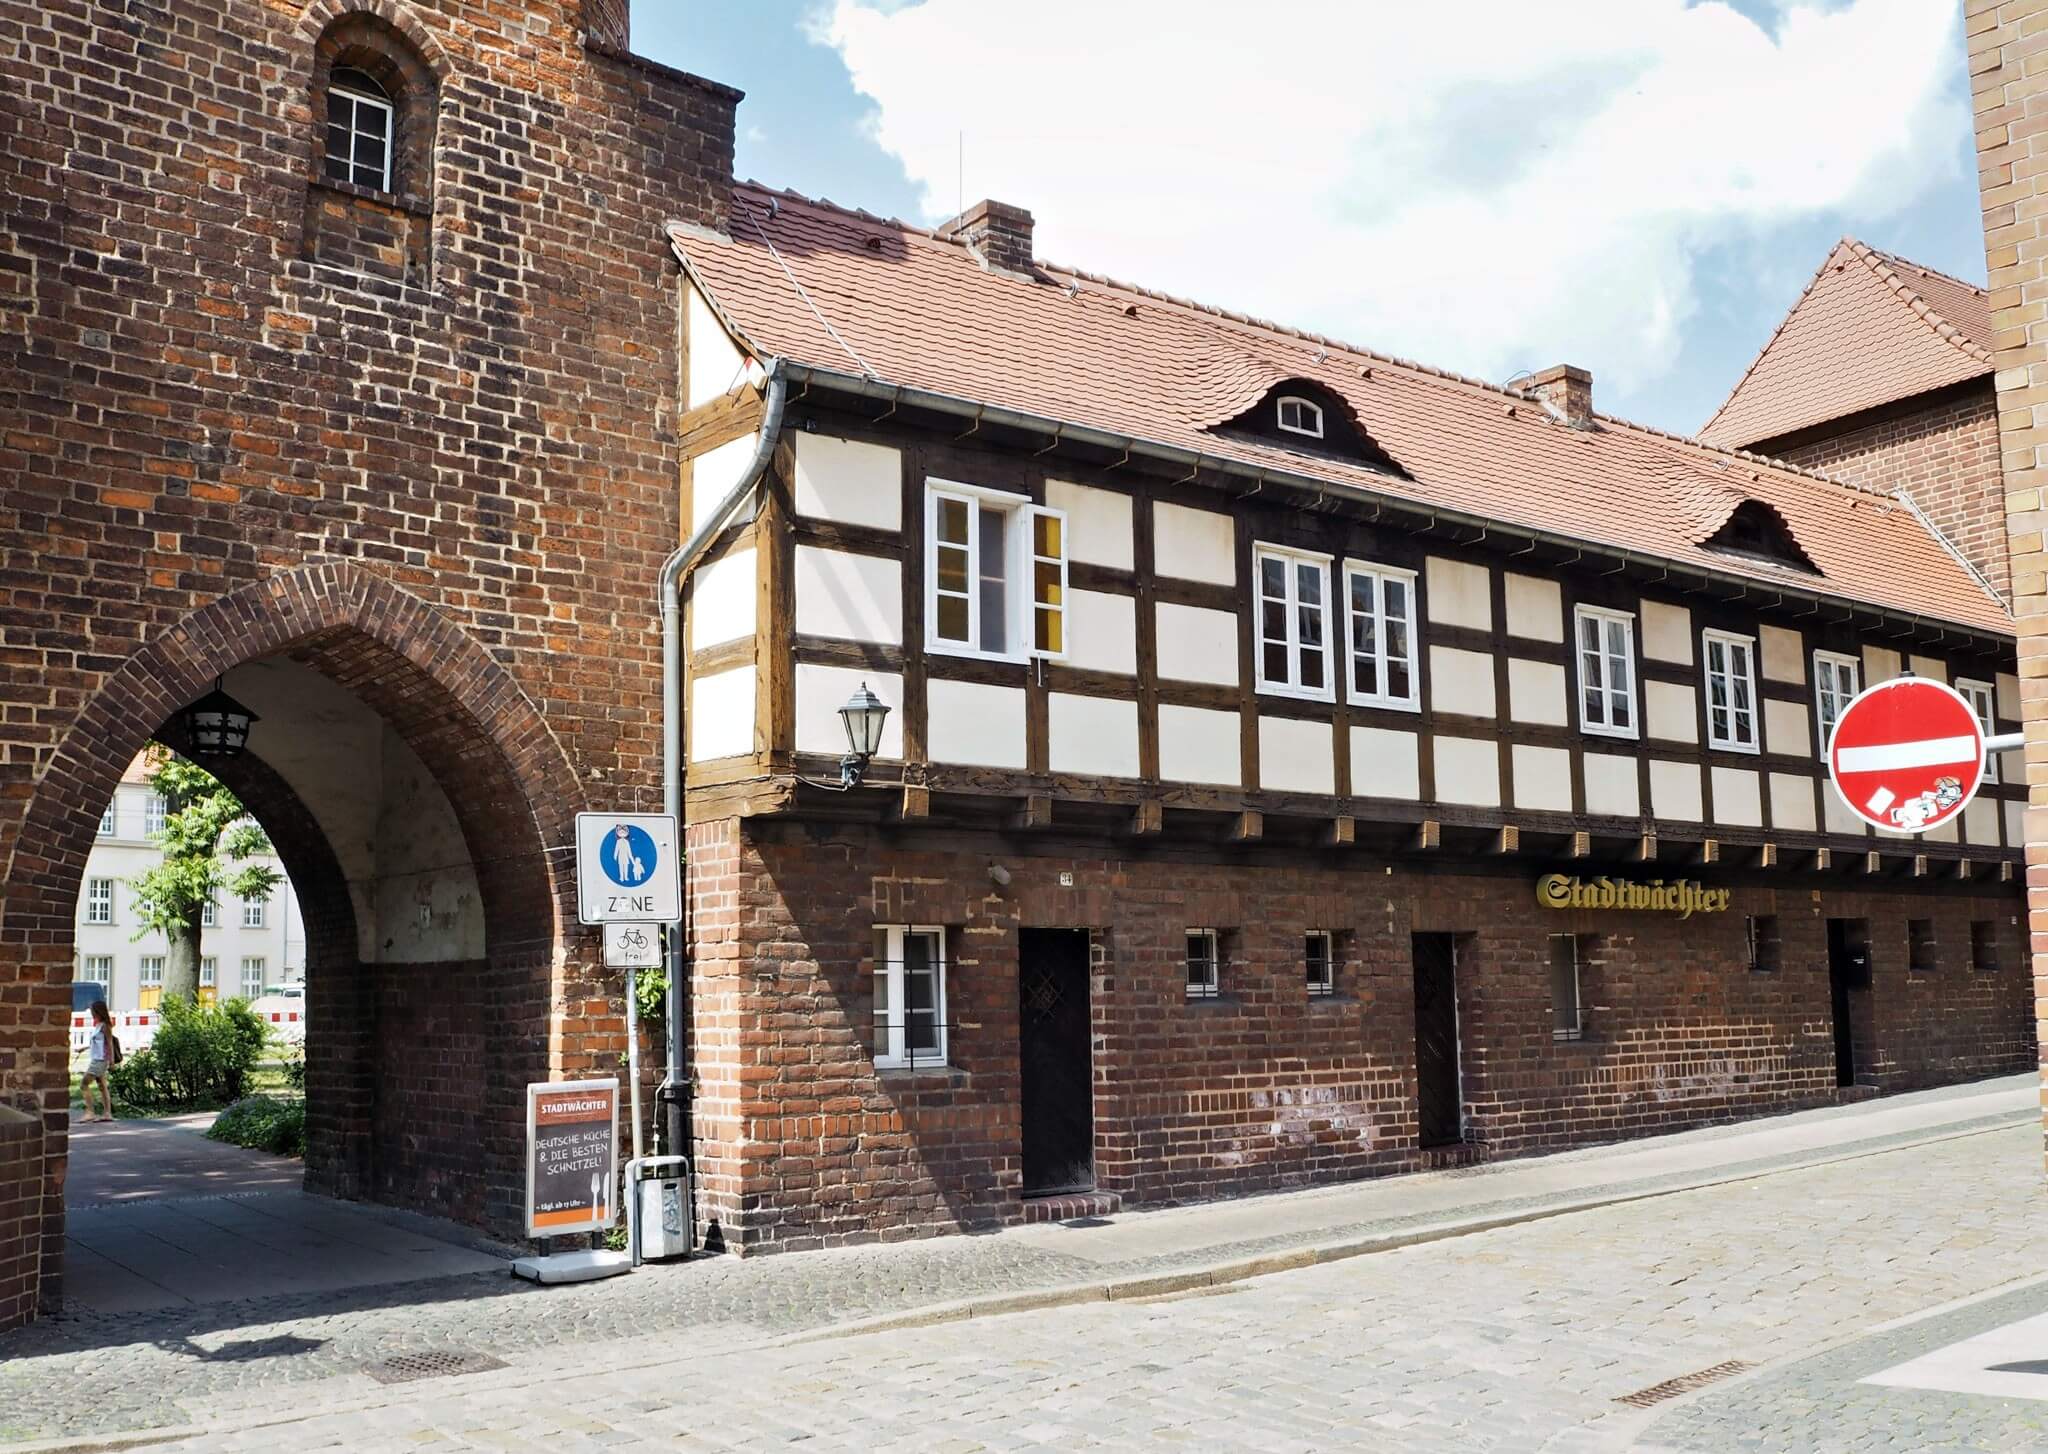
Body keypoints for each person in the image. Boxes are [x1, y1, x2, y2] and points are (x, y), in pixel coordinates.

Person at [80, 1000, 115, 1123]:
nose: (91, 1013)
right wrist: (84, 1048)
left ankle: (90, 1112)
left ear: (98, 1011)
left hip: (100, 1060)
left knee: (84, 1084)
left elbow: (109, 1044)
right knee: (102, 1086)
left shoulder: (105, 1026)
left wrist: (112, 1062)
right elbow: (97, 1043)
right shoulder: (98, 1025)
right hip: (96, 1058)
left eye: (92, 1011)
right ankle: (107, 1113)